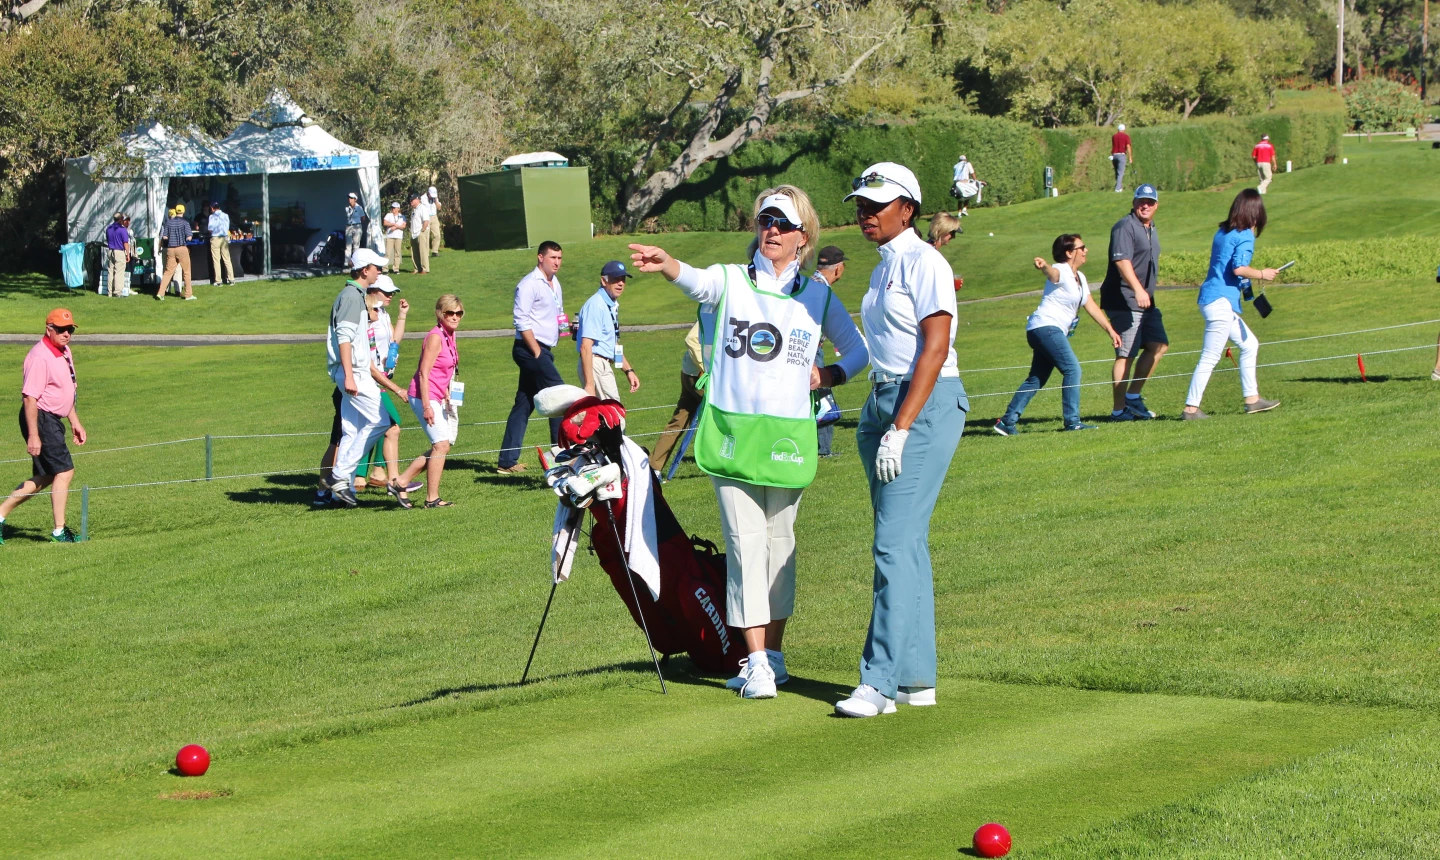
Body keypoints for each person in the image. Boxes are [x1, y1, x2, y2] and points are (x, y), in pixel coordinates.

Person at [629, 186, 870, 701]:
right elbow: (697, 282)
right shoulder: (732, 280)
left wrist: (826, 375)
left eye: (783, 223)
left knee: (780, 545)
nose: (773, 230)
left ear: (804, 236)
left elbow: (857, 350)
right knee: (745, 544)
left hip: (787, 438)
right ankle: (755, 659)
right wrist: (668, 262)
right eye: (765, 220)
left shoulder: (818, 295)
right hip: (733, 436)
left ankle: (774, 656)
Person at [834, 162, 967, 719]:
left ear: (907, 209)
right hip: (882, 401)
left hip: (923, 404)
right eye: (861, 205)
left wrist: (902, 427)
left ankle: (879, 682)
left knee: (892, 543)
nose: (865, 213)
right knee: (905, 542)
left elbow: (934, 350)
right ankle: (915, 678)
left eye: (877, 205)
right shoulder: (882, 269)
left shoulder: (924, 261)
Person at [994, 235, 1122, 435]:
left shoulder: (1080, 277)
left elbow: (1090, 306)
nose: (1086, 250)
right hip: (1046, 327)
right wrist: (1044, 265)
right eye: (1082, 247)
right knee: (1072, 369)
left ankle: (1006, 422)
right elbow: (1052, 274)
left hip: (1043, 330)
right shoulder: (1061, 269)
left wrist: (1110, 330)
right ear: (1070, 253)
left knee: (1037, 378)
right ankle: (1072, 421)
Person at [1182, 189, 1281, 419]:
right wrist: (1262, 273)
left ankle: (1252, 399)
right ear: (1256, 213)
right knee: (1210, 355)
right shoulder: (1245, 235)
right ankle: (1190, 408)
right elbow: (1238, 268)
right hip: (1221, 302)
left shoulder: (1222, 231)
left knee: (1249, 344)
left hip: (1212, 299)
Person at [0, 309, 86, 544]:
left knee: (47, 475)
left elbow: (64, 391)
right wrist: (34, 435)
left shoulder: (64, 351)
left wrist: (75, 421)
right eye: (61, 329)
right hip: (40, 418)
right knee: (65, 471)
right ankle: (59, 531)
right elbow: (30, 399)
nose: (66, 334)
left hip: (53, 419)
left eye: (70, 330)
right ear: (49, 329)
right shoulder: (40, 357)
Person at [354, 275, 425, 506]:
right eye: (386, 292)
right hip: (371, 381)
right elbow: (368, 363)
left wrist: (402, 316)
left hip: (381, 378)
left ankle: (371, 475)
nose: (391, 296)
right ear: (373, 291)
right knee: (391, 427)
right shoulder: (366, 317)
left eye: (392, 292)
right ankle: (388, 479)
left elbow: (395, 340)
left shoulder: (382, 314)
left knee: (380, 427)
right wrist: (396, 389)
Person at [325, 247, 389, 508]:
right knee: (381, 421)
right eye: (377, 268)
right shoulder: (352, 296)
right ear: (365, 270)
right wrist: (350, 376)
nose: (379, 272)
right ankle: (340, 476)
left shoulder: (354, 295)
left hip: (351, 372)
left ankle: (340, 490)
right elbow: (344, 338)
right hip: (355, 373)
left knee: (352, 430)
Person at [497, 241, 566, 474]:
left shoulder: (555, 282)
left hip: (544, 349)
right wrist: (536, 351)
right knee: (559, 396)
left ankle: (506, 462)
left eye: (559, 258)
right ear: (540, 258)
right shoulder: (528, 285)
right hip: (529, 349)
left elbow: (554, 315)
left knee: (523, 405)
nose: (556, 262)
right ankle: (560, 456)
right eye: (552, 257)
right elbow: (521, 321)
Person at [1100, 184, 1167, 421]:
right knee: (1125, 354)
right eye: (1141, 201)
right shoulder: (1125, 226)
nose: (1145, 205)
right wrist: (1138, 289)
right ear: (1134, 202)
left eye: (1150, 202)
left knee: (1158, 345)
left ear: (1156, 205)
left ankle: (1132, 397)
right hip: (1124, 300)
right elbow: (1122, 261)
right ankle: (1118, 411)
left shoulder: (1150, 227)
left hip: (1146, 300)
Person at [395, 294, 465, 508]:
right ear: (440, 314)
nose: (455, 317)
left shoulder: (449, 335)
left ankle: (401, 482)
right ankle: (431, 498)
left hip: (437, 395)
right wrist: (427, 405)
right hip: (422, 396)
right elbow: (424, 373)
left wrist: (444, 390)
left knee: (442, 446)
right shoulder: (435, 337)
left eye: (458, 313)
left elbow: (442, 369)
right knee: (441, 444)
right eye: (450, 313)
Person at [576, 261, 639, 401]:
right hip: (595, 364)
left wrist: (628, 370)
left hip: (600, 364)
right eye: (615, 279)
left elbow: (612, 343)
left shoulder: (610, 304)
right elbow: (585, 347)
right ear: (604, 281)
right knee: (614, 416)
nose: (621, 283)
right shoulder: (596, 305)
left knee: (603, 418)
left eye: (623, 279)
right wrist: (589, 384)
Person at [649, 321, 705, 476]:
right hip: (700, 376)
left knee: (679, 421)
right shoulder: (714, 310)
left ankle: (653, 467)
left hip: (691, 372)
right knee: (721, 419)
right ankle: (722, 463)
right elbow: (691, 339)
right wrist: (707, 367)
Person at [811, 246, 848, 458]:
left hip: (811, 349)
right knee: (823, 399)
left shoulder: (810, 284)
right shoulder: (821, 290)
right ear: (837, 268)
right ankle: (823, 450)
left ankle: (821, 448)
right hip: (812, 352)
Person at [156, 204, 194, 301]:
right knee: (186, 272)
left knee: (168, 272)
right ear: (183, 212)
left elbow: (164, 237)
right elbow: (189, 237)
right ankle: (188, 294)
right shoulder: (185, 223)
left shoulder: (169, 223)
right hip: (181, 248)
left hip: (170, 249)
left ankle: (160, 293)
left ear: (176, 211)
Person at [104, 212, 131, 299]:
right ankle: (118, 292)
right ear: (120, 219)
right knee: (119, 272)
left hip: (110, 251)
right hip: (119, 251)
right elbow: (125, 243)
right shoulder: (122, 230)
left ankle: (109, 292)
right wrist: (128, 254)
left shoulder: (109, 228)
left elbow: (108, 240)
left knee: (110, 272)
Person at [208, 202, 235, 286]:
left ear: (212, 208)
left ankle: (218, 281)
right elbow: (227, 227)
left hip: (215, 238)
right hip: (224, 238)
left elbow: (210, 229)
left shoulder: (212, 216)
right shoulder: (226, 215)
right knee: (227, 259)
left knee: (216, 260)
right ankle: (231, 279)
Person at [408, 195, 430, 275]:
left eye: (412, 200)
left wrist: (423, 230)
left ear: (417, 199)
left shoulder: (422, 208)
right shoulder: (414, 210)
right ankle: (417, 268)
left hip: (421, 232)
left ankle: (425, 268)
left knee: (423, 251)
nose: (411, 202)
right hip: (414, 233)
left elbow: (426, 221)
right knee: (414, 252)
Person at [382, 202, 406, 274]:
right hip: (390, 236)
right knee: (387, 253)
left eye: (394, 208)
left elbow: (403, 226)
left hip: (398, 236)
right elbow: (385, 223)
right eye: (392, 207)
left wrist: (396, 227)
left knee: (397, 253)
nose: (393, 209)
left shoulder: (402, 216)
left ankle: (396, 268)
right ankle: (385, 269)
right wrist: (392, 224)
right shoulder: (389, 215)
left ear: (398, 209)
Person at [344, 192, 367, 267]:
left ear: (355, 199)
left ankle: (355, 262)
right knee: (348, 246)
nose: (349, 199)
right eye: (349, 198)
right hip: (349, 226)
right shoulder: (347, 208)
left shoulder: (359, 208)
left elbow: (363, 217)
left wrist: (358, 224)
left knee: (356, 245)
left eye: (351, 198)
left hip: (357, 226)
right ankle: (347, 263)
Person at [1111, 123, 1133, 193]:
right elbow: (1128, 147)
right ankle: (1117, 189)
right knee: (1120, 173)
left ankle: (1119, 188)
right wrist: (1130, 157)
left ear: (1118, 129)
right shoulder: (1126, 136)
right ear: (1124, 129)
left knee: (1116, 172)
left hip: (1114, 155)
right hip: (1121, 155)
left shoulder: (1114, 136)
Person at [426, 186, 443, 257]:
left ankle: (435, 251)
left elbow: (439, 208)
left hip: (434, 217)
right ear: (428, 193)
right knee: (426, 236)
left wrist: (436, 201)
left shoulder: (435, 198)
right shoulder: (423, 198)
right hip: (426, 217)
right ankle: (425, 253)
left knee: (437, 234)